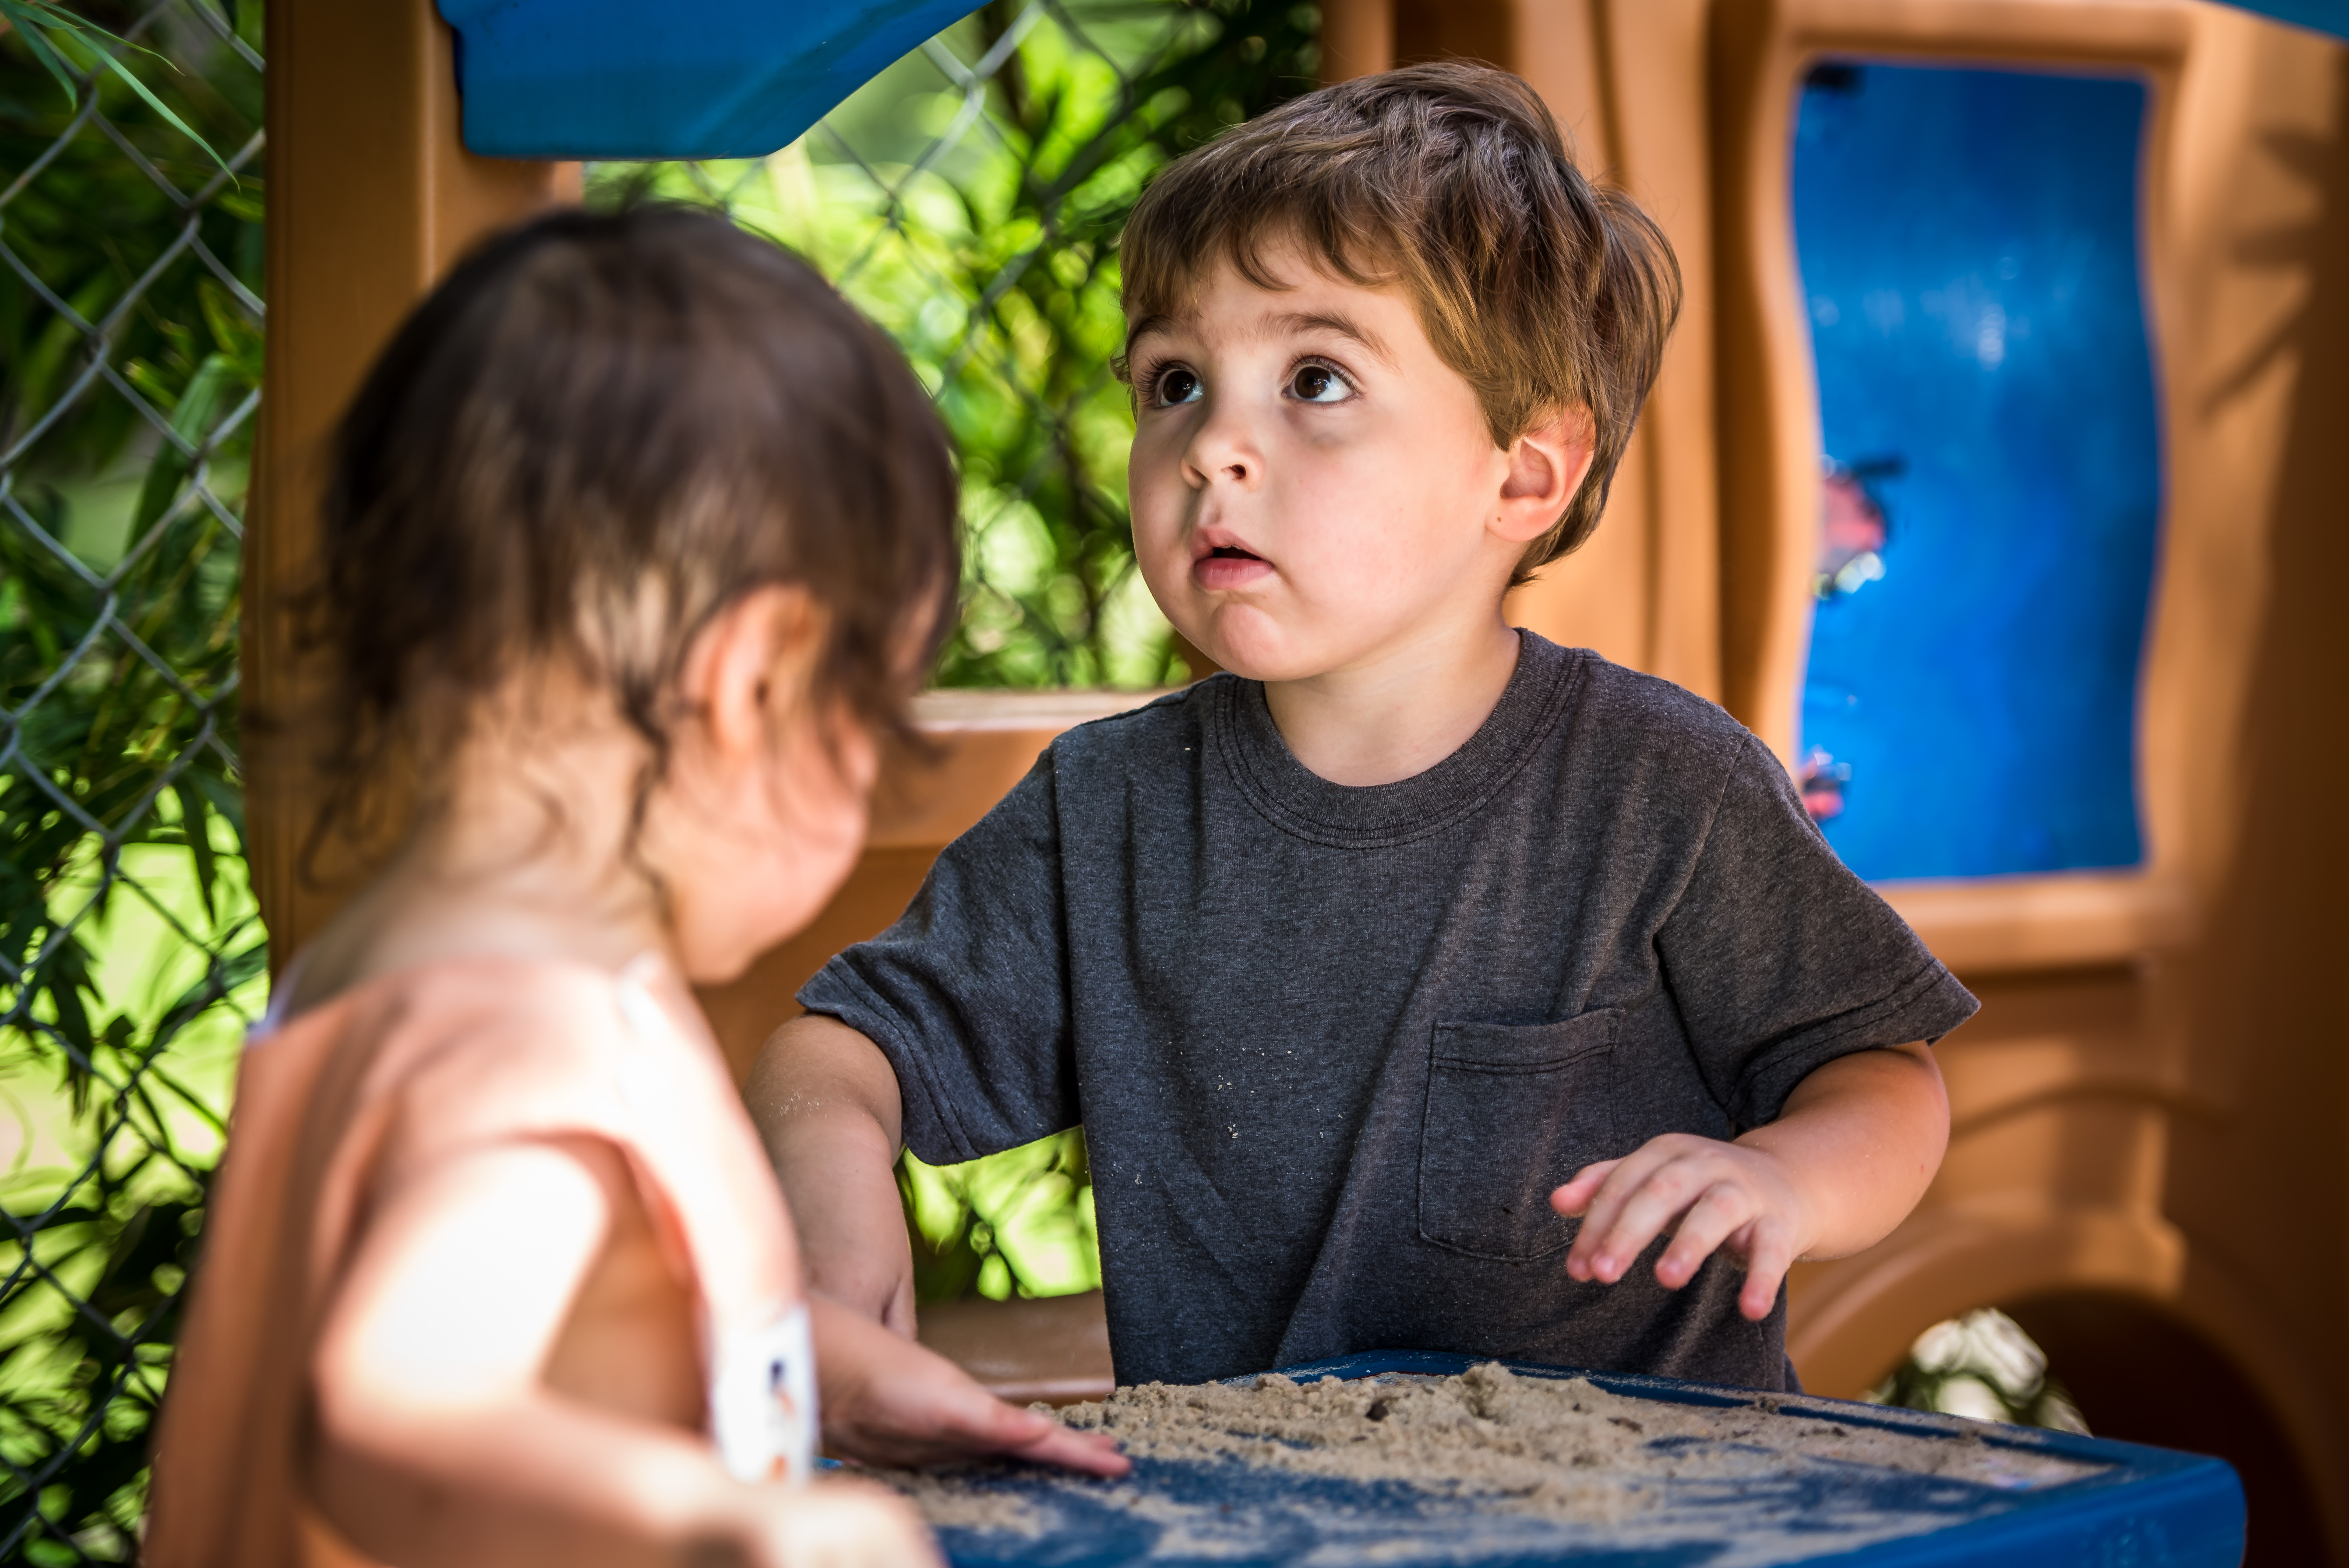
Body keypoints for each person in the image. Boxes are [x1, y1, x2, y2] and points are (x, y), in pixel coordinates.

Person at [751, 62, 1972, 1400]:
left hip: (1652, 1517)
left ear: (1521, 471)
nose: (1213, 445)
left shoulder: (1661, 789)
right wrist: (831, 1209)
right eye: (1171, 383)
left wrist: (1782, 1177)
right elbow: (839, 1046)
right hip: (1253, 1524)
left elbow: (1880, 1078)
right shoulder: (1103, 816)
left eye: (1314, 379)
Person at [145, 207, 1122, 1568]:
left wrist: (805, 1363)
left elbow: (548, 1330)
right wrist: (737, 1527)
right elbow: (394, 1410)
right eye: (872, 723)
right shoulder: (536, 1038)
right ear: (751, 683)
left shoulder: (382, 966)